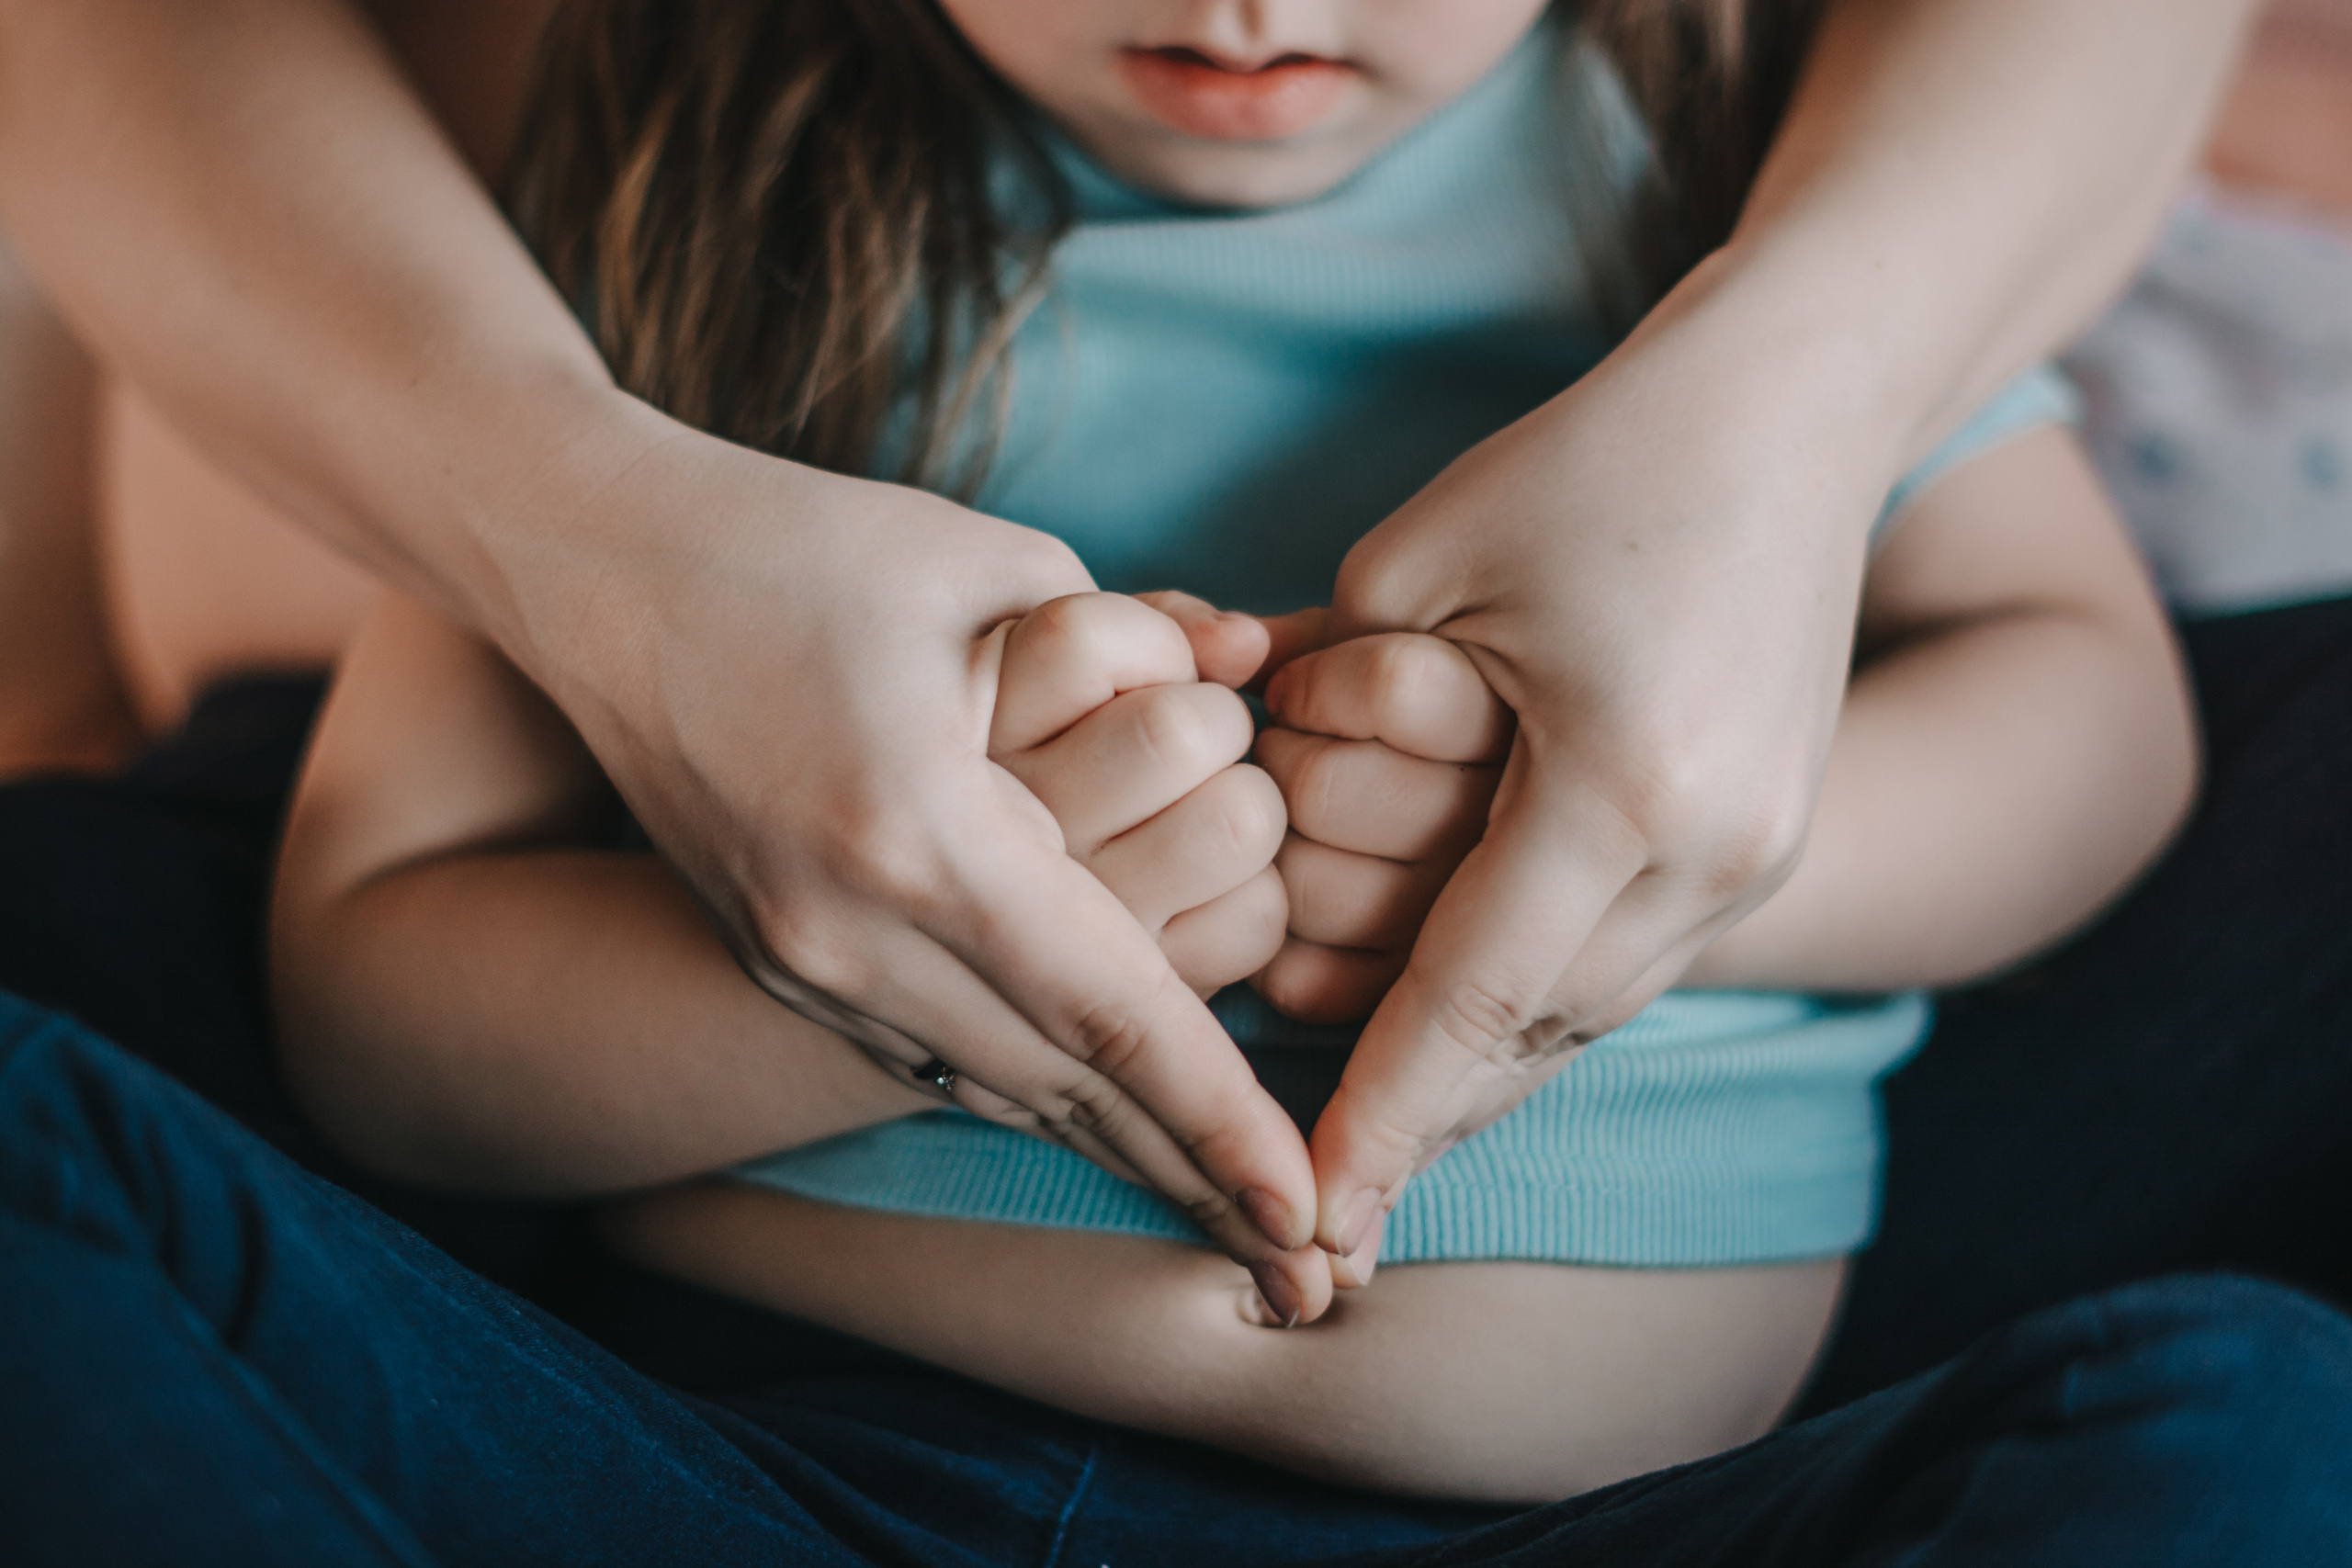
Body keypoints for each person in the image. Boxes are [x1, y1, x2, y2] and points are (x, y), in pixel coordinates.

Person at [0, 0, 2259, 1288]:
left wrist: (1670, 868)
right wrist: (923, 988)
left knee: (2240, 1426)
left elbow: (2087, 709)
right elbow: (381, 995)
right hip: (742, 1463)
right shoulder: (681, 166)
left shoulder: (1727, 147)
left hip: (1713, 1512)